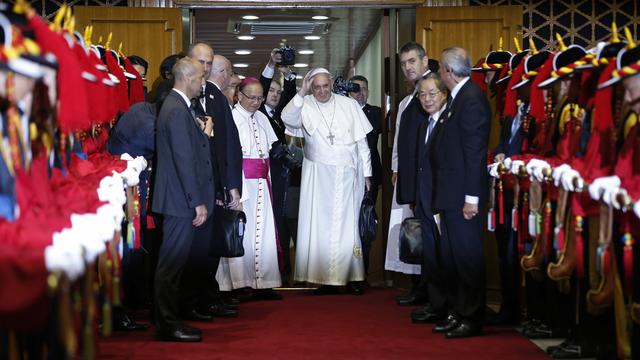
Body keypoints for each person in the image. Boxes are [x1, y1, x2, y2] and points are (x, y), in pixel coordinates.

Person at [281, 67, 372, 295]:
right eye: (316, 87)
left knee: (348, 227)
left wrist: (367, 173)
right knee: (321, 228)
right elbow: (287, 118)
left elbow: (362, 143)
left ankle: (352, 277)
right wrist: (301, 92)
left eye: (325, 86)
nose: (321, 91)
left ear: (331, 83)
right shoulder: (306, 103)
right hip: (318, 176)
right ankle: (324, 279)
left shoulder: (348, 104)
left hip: (348, 173)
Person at [152, 57, 214, 342]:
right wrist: (196, 201)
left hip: (179, 198)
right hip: (179, 200)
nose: (204, 82)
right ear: (187, 78)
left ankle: (171, 320)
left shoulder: (179, 107)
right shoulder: (176, 109)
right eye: (201, 77)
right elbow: (183, 159)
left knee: (174, 264)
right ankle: (167, 324)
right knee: (171, 265)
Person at [431, 46, 491, 338]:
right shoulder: (458, 99)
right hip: (451, 196)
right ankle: (458, 311)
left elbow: (475, 153)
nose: (440, 74)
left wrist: (471, 198)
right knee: (453, 258)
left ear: (449, 72)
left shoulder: (471, 101)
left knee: (467, 259)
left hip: (464, 198)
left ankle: (472, 316)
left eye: (441, 69)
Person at [215, 78, 282, 300]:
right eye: (251, 97)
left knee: (262, 234)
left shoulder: (262, 118)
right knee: (241, 233)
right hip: (242, 184)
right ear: (238, 96)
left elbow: (266, 155)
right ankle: (240, 284)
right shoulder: (231, 117)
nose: (256, 102)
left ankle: (263, 282)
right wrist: (234, 189)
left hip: (262, 183)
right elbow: (229, 157)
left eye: (260, 98)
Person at [190, 48, 242, 317]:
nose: (206, 67)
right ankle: (193, 300)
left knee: (211, 247)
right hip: (191, 187)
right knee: (193, 249)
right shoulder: (177, 96)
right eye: (202, 62)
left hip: (215, 187)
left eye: (210, 63)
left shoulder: (215, 96)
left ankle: (208, 297)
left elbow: (229, 144)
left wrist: (230, 185)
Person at [386, 42, 430, 306]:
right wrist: (395, 167)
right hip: (406, 175)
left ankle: (427, 288)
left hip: (424, 176)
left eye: (412, 61)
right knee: (411, 231)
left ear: (425, 61)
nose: (408, 67)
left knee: (425, 231)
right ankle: (417, 286)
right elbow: (400, 138)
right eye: (404, 63)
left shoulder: (432, 96)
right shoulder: (405, 101)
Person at [259, 49, 298, 285]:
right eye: (271, 91)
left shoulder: (279, 115)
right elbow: (262, 85)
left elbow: (291, 98)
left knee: (283, 225)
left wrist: (288, 75)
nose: (274, 95)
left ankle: (283, 272)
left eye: (278, 92)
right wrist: (271, 64)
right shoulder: (259, 111)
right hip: (266, 176)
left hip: (284, 178)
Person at [348, 74, 381, 277]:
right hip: (346, 175)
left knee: (365, 222)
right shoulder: (342, 112)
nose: (361, 93)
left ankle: (363, 273)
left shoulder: (376, 113)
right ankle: (346, 271)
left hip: (370, 177)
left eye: (364, 88)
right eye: (356, 88)